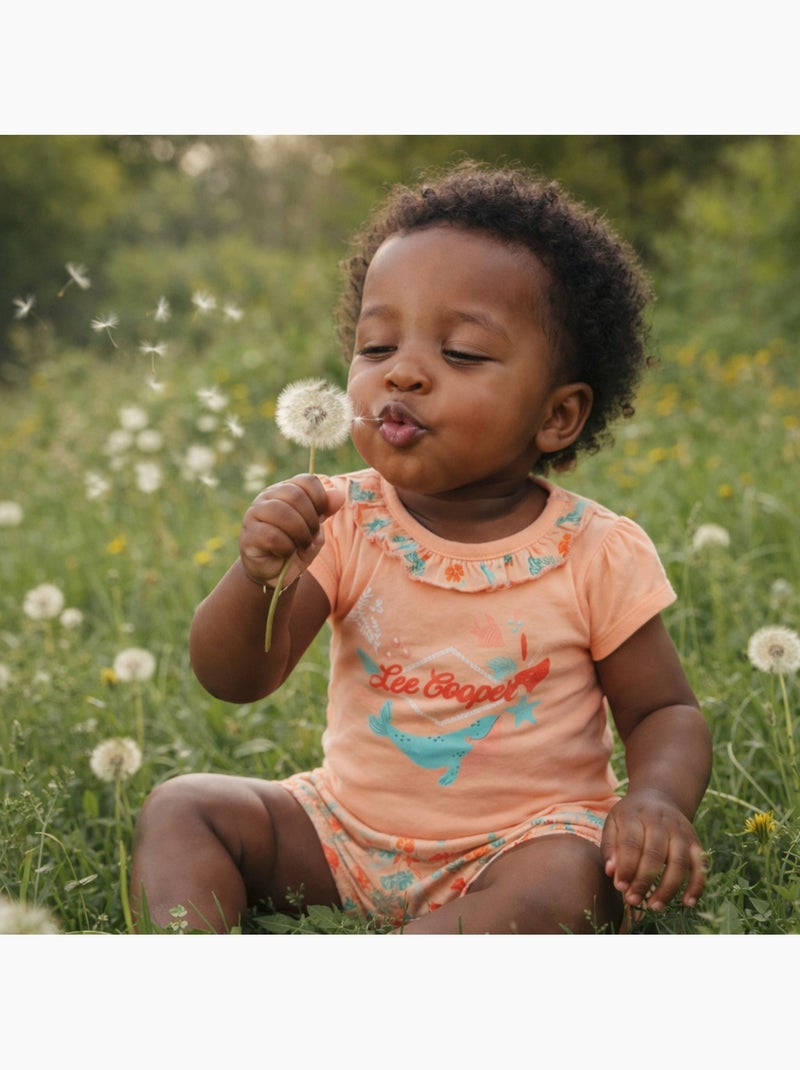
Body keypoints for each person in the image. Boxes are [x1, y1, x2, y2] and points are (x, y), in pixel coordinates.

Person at [130, 162, 712, 934]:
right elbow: (235, 678)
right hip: (342, 837)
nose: (401, 372)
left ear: (558, 416)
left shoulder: (596, 552)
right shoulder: (341, 518)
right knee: (185, 807)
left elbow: (664, 709)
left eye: (462, 354)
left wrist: (656, 800)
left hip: (525, 845)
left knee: (572, 878)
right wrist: (257, 578)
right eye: (376, 346)